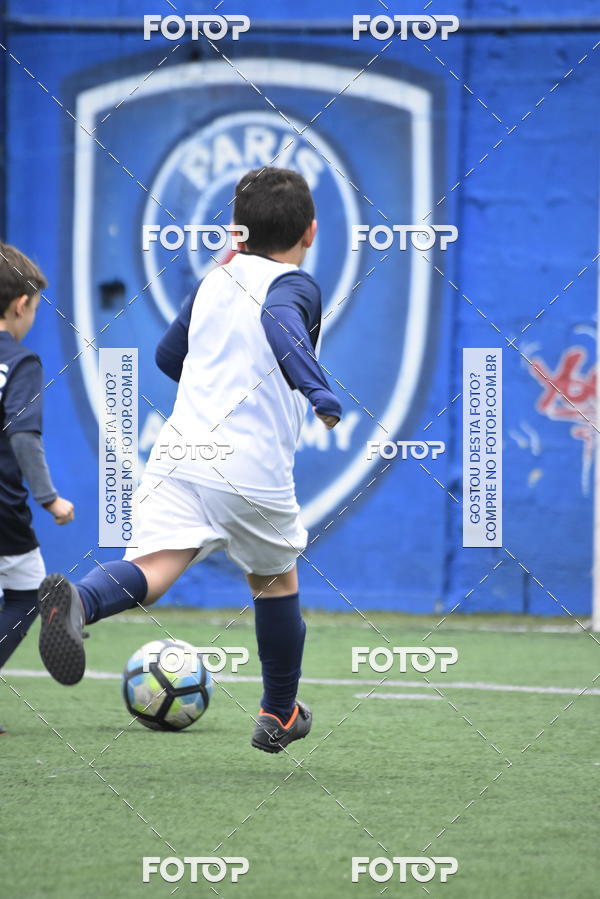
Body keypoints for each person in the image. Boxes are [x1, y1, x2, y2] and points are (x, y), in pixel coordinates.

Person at [36, 167, 341, 753]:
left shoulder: (213, 280)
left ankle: (80, 600)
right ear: (311, 231)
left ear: (240, 232)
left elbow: (168, 355)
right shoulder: (294, 284)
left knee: (155, 569)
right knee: (276, 582)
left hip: (180, 452)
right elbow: (280, 326)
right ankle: (279, 712)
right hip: (250, 467)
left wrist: (215, 375)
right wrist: (319, 392)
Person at [0, 242, 74, 735]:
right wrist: (49, 498)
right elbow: (23, 435)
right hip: (4, 512)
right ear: (21, 304)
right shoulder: (20, 361)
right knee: (28, 593)